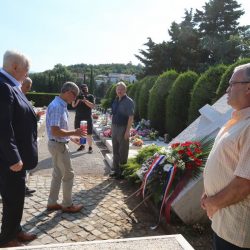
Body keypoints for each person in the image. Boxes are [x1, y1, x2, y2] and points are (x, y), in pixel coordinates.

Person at [201, 63, 250, 249]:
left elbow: (244, 184)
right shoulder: (238, 119)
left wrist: (212, 202)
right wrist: (208, 192)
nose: (227, 89)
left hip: (237, 230)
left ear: (248, 87)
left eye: (232, 84)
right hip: (223, 218)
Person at [0, 50, 38, 247]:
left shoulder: (12, 85)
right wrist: (14, 157)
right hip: (10, 160)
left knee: (16, 197)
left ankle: (16, 230)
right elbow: (3, 125)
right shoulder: (3, 86)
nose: (27, 73)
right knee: (12, 199)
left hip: (17, 158)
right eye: (27, 69)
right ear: (15, 67)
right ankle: (6, 239)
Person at [46, 81, 85, 213]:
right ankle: (67, 205)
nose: (75, 99)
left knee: (57, 174)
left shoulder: (59, 104)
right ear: (68, 92)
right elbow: (55, 131)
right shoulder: (58, 106)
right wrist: (74, 132)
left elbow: (58, 131)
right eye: (74, 96)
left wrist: (70, 137)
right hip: (58, 145)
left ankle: (52, 203)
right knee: (69, 175)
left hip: (56, 143)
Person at [110, 82, 134, 179]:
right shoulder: (115, 100)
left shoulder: (129, 101)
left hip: (123, 128)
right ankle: (115, 170)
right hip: (114, 127)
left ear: (125, 90)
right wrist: (111, 127)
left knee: (123, 151)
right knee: (115, 150)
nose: (119, 91)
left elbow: (131, 117)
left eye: (121, 89)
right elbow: (113, 114)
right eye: (118, 89)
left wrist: (127, 131)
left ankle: (122, 172)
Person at [72, 84, 95, 153]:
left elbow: (92, 106)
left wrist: (85, 101)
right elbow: (73, 106)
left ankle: (90, 147)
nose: (85, 90)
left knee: (89, 133)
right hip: (79, 117)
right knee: (81, 133)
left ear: (87, 89)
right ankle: (82, 145)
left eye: (86, 88)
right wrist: (77, 100)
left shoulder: (90, 96)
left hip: (87, 117)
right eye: (83, 89)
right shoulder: (77, 97)